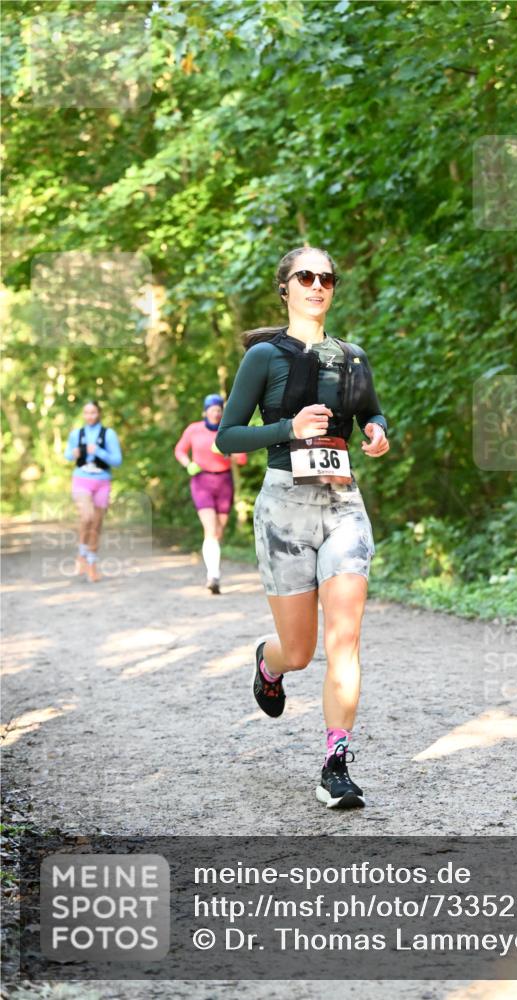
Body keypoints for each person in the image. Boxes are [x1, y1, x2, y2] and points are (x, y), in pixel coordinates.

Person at [216, 246, 389, 809]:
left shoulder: (352, 357)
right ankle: (269, 664)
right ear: (285, 288)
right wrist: (288, 426)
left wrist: (378, 433)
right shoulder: (264, 357)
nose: (318, 285)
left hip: (342, 502)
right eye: (306, 276)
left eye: (327, 278)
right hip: (284, 506)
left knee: (345, 638)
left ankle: (335, 763)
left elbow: (372, 413)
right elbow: (228, 437)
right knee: (299, 650)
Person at [175, 393, 247, 594]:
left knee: (218, 532)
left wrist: (226, 451)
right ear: (205, 411)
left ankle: (213, 572)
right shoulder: (194, 429)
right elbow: (179, 450)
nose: (216, 413)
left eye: (219, 409)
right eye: (212, 409)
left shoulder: (228, 431)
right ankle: (213, 575)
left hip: (224, 482)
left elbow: (242, 459)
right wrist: (188, 464)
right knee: (210, 529)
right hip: (201, 481)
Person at [64, 400, 123, 583]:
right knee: (86, 517)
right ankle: (81, 553)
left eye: (93, 412)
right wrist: (73, 454)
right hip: (82, 479)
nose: (90, 416)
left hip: (102, 481)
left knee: (96, 524)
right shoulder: (77, 434)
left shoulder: (108, 434)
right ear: (83, 415)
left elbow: (117, 461)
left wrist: (98, 451)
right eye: (86, 412)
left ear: (99, 414)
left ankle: (91, 563)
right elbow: (67, 455)